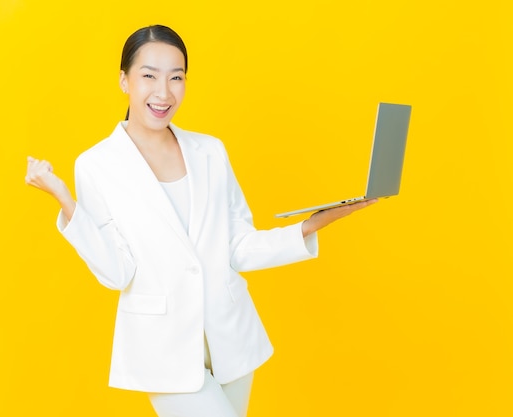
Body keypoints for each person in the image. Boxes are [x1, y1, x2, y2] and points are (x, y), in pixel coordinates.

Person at [25, 24, 377, 417]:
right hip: (164, 349)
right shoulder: (96, 165)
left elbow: (238, 246)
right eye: (149, 76)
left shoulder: (210, 151)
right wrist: (65, 200)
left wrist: (314, 223)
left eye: (176, 78)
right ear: (124, 80)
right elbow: (116, 271)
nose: (164, 92)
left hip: (230, 338)